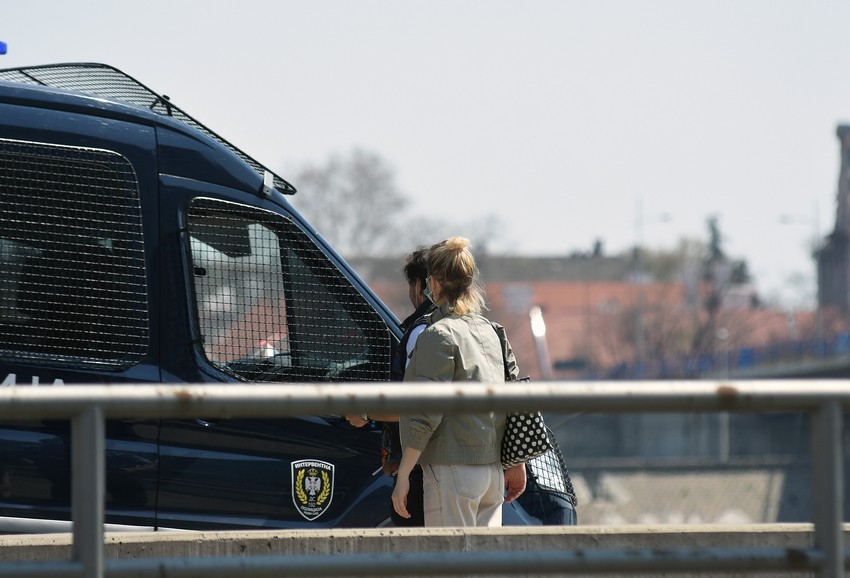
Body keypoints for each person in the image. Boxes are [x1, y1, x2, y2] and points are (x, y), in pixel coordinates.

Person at [392, 236, 526, 527]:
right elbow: (515, 395)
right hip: (492, 472)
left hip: (452, 470)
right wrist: (517, 461)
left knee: (448, 564)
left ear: (434, 282)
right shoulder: (492, 331)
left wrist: (403, 475)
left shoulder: (437, 335)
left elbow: (424, 413)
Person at [346, 247, 434, 526]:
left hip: (426, 469)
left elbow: (415, 408)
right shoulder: (477, 327)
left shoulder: (423, 332)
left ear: (420, 286)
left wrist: (365, 413)